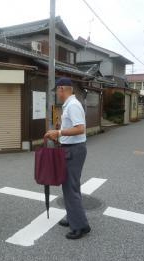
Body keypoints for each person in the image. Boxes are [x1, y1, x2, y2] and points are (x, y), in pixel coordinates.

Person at [44, 77, 91, 240]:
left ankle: (81, 226)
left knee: (71, 189)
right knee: (70, 187)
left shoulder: (73, 105)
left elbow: (80, 129)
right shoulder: (71, 105)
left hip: (74, 150)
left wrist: (59, 133)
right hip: (71, 148)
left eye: (56, 90)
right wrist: (59, 133)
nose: (56, 93)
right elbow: (73, 128)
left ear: (62, 89)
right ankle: (73, 217)